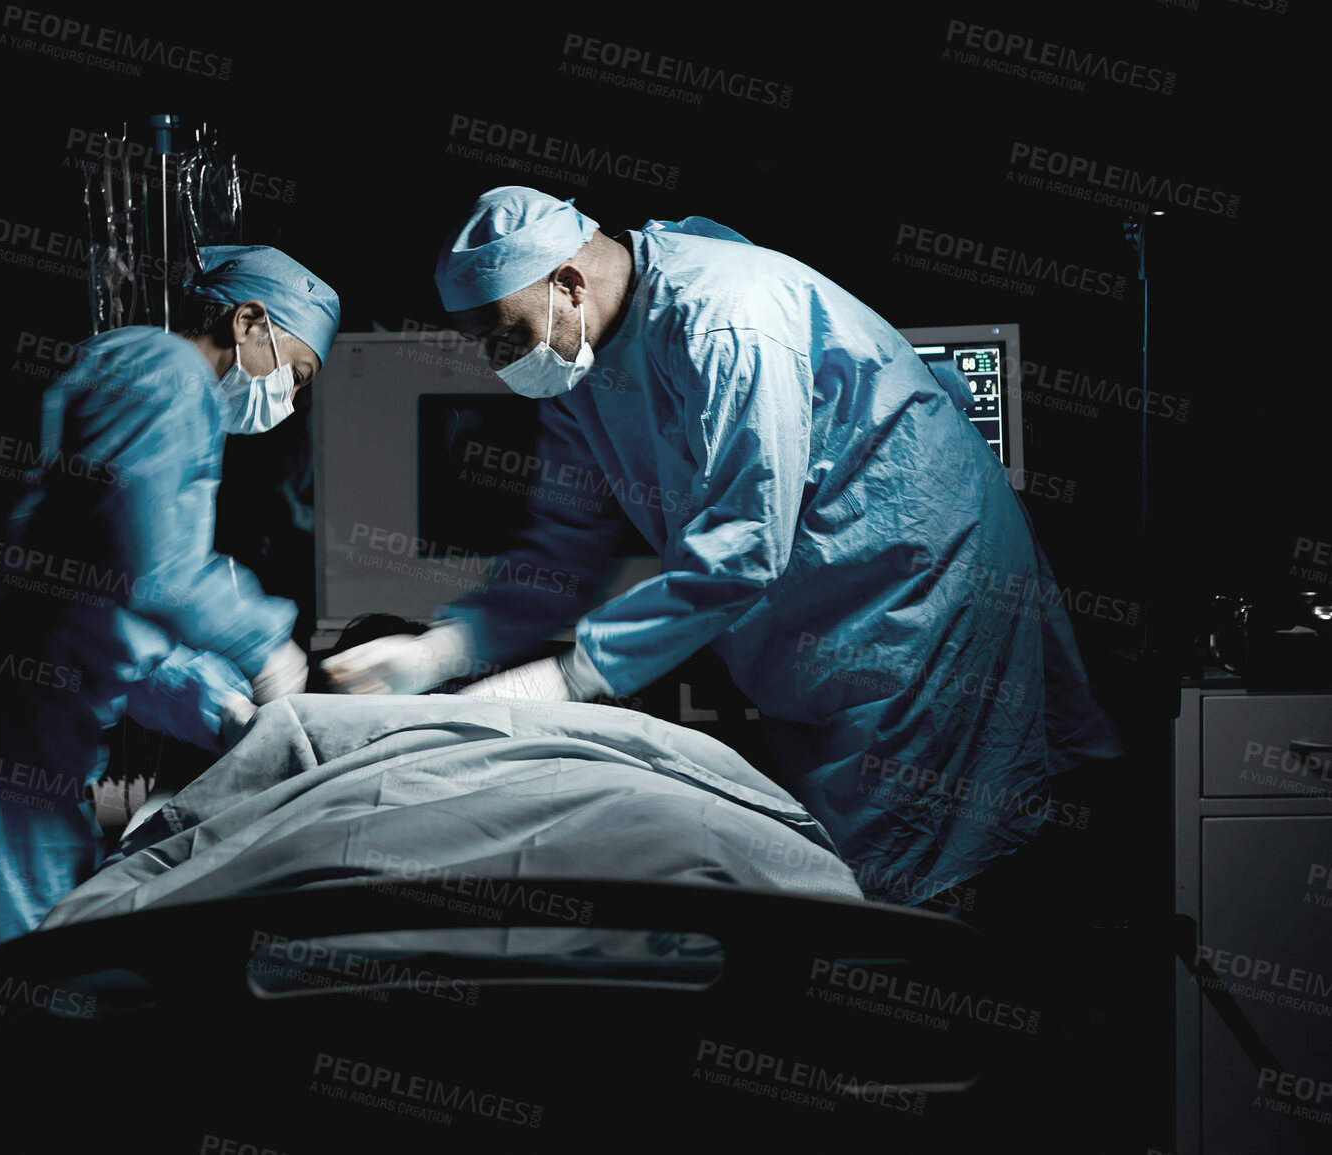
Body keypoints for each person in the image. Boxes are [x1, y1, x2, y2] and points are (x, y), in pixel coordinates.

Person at [324, 186, 1117, 907]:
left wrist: (569, 677)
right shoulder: (577, 368)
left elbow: (741, 549)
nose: (495, 364)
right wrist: (443, 649)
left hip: (918, 594)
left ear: (568, 281)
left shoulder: (728, 317)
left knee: (897, 870)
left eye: (500, 335)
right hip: (812, 622)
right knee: (819, 859)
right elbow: (561, 552)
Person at [0, 245, 340, 956]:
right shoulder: (162, 374)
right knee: (27, 969)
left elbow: (111, 612)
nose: (290, 401)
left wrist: (220, 707)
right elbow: (158, 576)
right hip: (7, 741)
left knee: (49, 950)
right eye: (295, 374)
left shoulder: (164, 388)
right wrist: (264, 645)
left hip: (42, 733)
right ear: (248, 322)